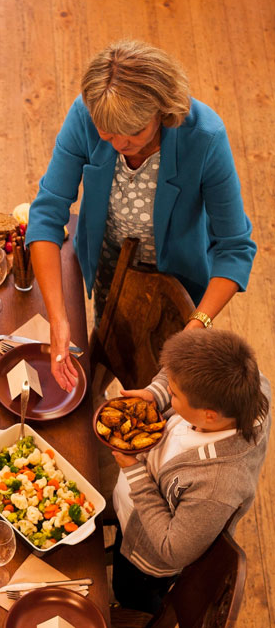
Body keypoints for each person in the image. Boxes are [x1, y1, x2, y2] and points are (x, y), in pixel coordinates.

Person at [25, 40, 257, 391]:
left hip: (181, 282)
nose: (117, 143)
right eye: (106, 132)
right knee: (108, 345)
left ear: (161, 111)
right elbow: (46, 212)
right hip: (110, 264)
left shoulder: (206, 137)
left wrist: (197, 326)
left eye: (131, 132)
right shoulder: (86, 114)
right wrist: (59, 319)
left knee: (169, 391)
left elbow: (235, 248)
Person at [111, 328, 270, 613]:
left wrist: (134, 471)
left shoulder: (217, 486)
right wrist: (154, 393)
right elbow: (178, 372)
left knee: (129, 594)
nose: (167, 392)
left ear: (209, 415)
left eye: (173, 394)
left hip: (143, 553)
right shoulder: (250, 384)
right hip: (135, 502)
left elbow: (172, 548)